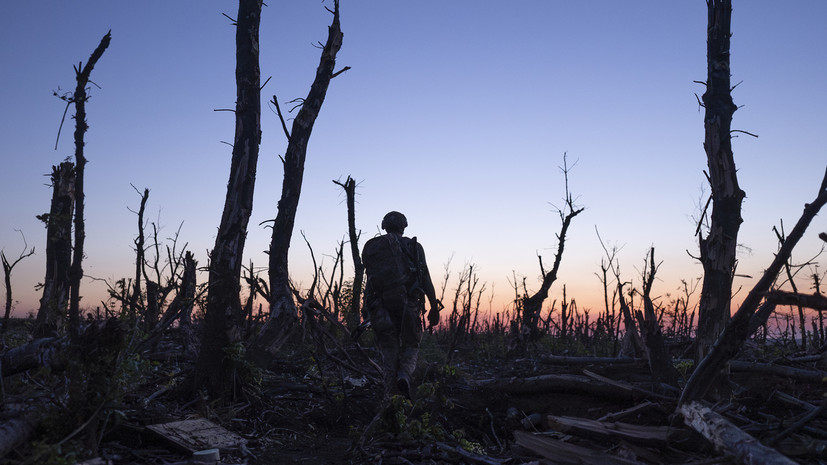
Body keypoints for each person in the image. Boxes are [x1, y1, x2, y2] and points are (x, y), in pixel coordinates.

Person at [362, 211, 440, 398]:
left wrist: (366, 309)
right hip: (408, 305)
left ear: (384, 226)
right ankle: (404, 374)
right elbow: (426, 278)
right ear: (404, 226)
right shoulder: (414, 247)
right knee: (411, 344)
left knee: (388, 347)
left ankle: (390, 393)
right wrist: (434, 307)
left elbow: (370, 281)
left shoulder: (372, 247)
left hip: (380, 306)